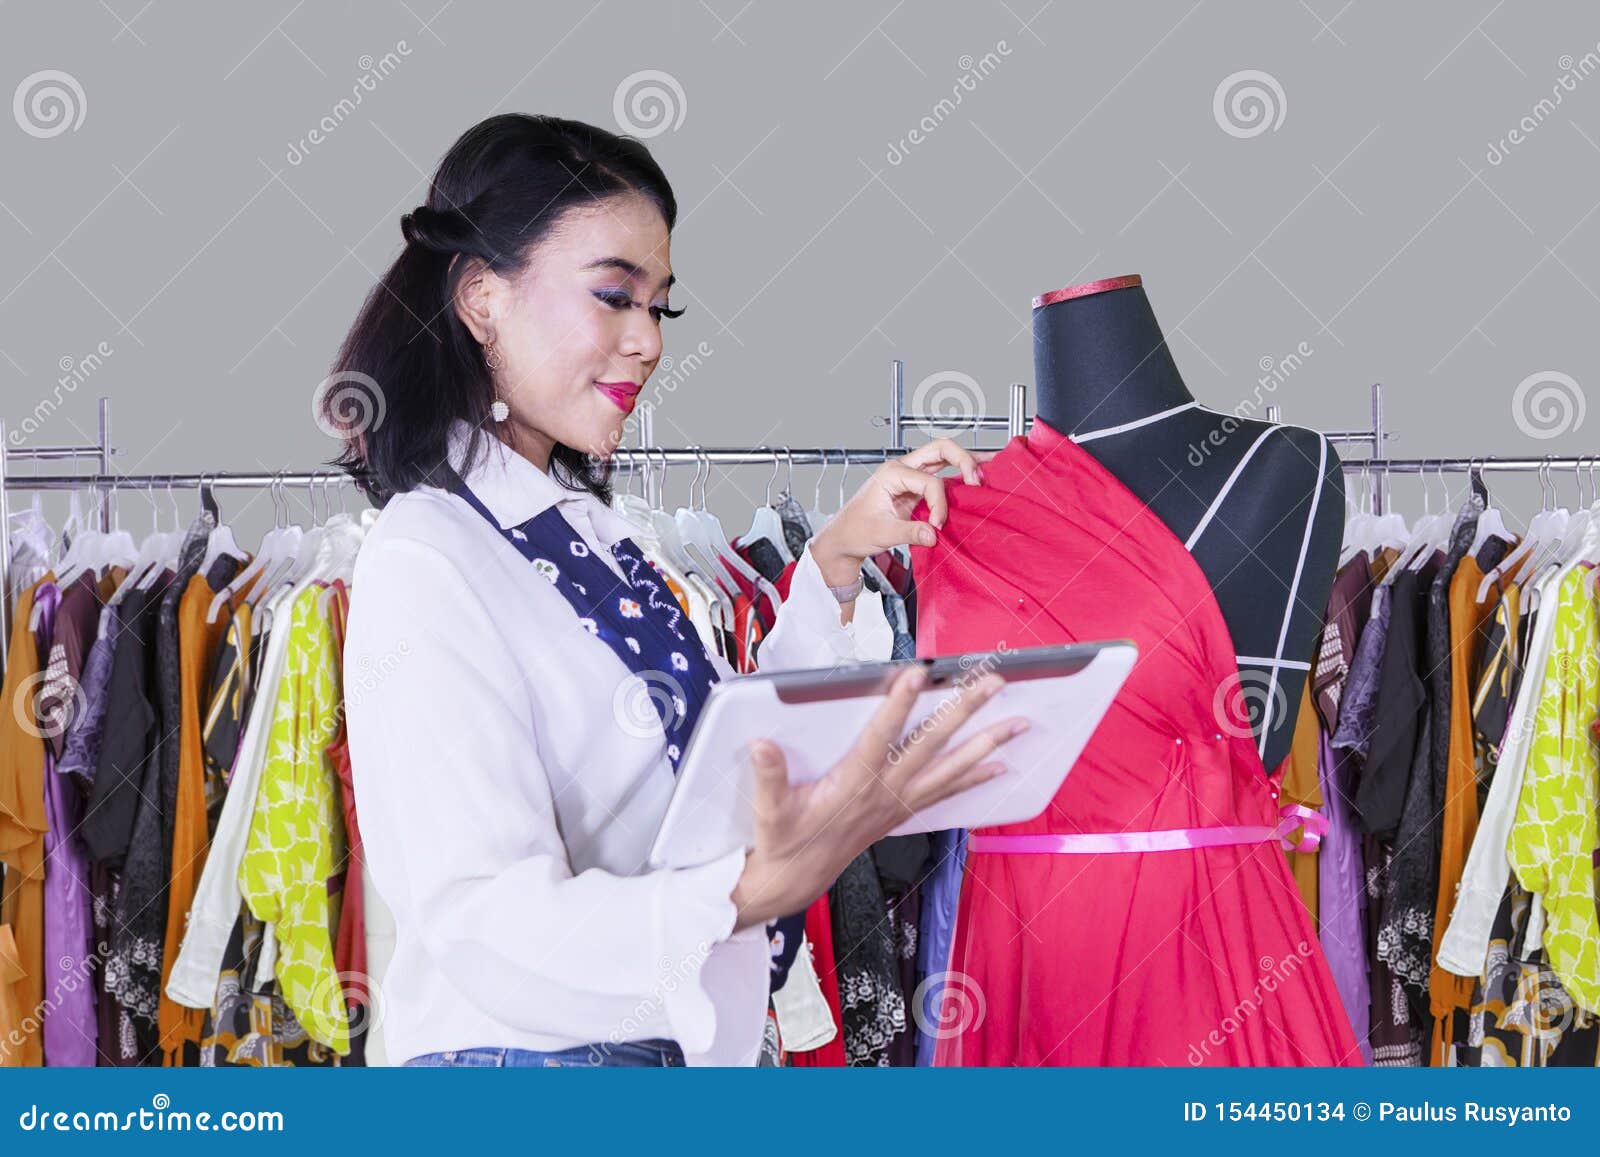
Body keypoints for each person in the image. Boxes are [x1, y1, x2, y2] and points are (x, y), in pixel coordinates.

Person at [331, 113, 1028, 1067]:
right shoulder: (428, 554)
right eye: (615, 296)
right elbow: (480, 919)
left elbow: (707, 771)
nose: (647, 341)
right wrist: (747, 890)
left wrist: (834, 562)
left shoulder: (588, 534)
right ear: (483, 298)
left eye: (661, 307)